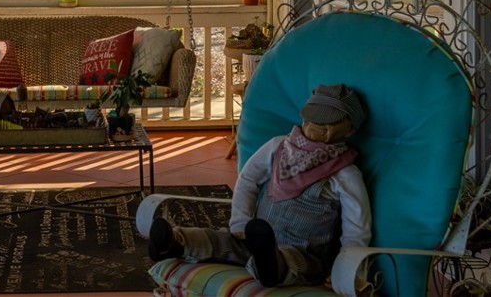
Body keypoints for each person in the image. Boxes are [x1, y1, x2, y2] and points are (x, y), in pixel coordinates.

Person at [149, 84, 371, 294]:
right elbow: (248, 180)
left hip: (304, 255)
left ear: (349, 129)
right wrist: (241, 221)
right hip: (255, 240)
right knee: (222, 241)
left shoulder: (344, 174)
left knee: (290, 261)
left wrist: (346, 271)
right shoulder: (279, 147)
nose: (314, 123)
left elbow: (356, 230)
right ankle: (175, 243)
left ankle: (270, 268)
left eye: (327, 121)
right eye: (313, 116)